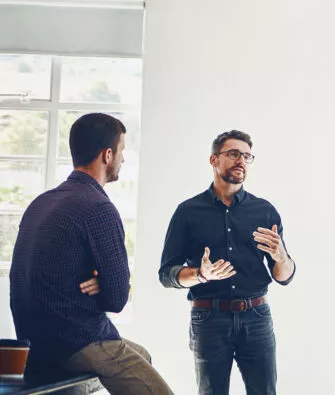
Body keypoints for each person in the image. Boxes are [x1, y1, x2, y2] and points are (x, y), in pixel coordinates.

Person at [10, 112, 173, 394]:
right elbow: (118, 298)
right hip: (75, 341)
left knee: (142, 355)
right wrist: (105, 283)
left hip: (34, 339)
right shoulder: (98, 208)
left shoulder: (43, 201)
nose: (123, 159)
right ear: (107, 155)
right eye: (122, 151)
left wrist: (101, 280)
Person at [158, 130, 295, 395]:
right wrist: (200, 274)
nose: (241, 161)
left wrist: (282, 257)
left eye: (246, 156)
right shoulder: (188, 212)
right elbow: (166, 274)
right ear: (213, 160)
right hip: (208, 318)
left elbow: (284, 276)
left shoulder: (265, 211)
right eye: (233, 154)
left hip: (256, 317)